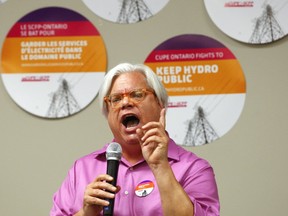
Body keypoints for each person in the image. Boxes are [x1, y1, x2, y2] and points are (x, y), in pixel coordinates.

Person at [50, 63, 220, 216]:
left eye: (137, 94)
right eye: (116, 99)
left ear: (161, 104)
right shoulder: (81, 169)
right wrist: (87, 213)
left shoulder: (194, 169)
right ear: (107, 113)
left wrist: (160, 166)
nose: (125, 103)